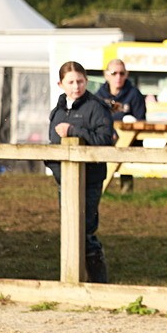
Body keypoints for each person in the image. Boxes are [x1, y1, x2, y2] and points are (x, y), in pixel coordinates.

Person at [48, 61, 116, 283]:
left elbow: (104, 140)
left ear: (86, 81)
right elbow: (53, 144)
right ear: (61, 84)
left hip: (90, 179)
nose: (76, 86)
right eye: (71, 82)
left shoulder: (96, 108)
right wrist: (54, 166)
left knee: (84, 230)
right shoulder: (58, 111)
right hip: (64, 179)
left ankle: (98, 282)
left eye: (80, 81)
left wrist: (74, 131)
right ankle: (74, 280)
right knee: (69, 229)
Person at [95, 58, 147, 193]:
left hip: (130, 141)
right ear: (106, 75)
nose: (118, 77)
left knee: (124, 145)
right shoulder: (98, 96)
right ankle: (97, 188)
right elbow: (96, 120)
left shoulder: (134, 94)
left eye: (122, 73)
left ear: (126, 75)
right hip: (105, 138)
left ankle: (126, 189)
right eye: (114, 73)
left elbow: (141, 121)